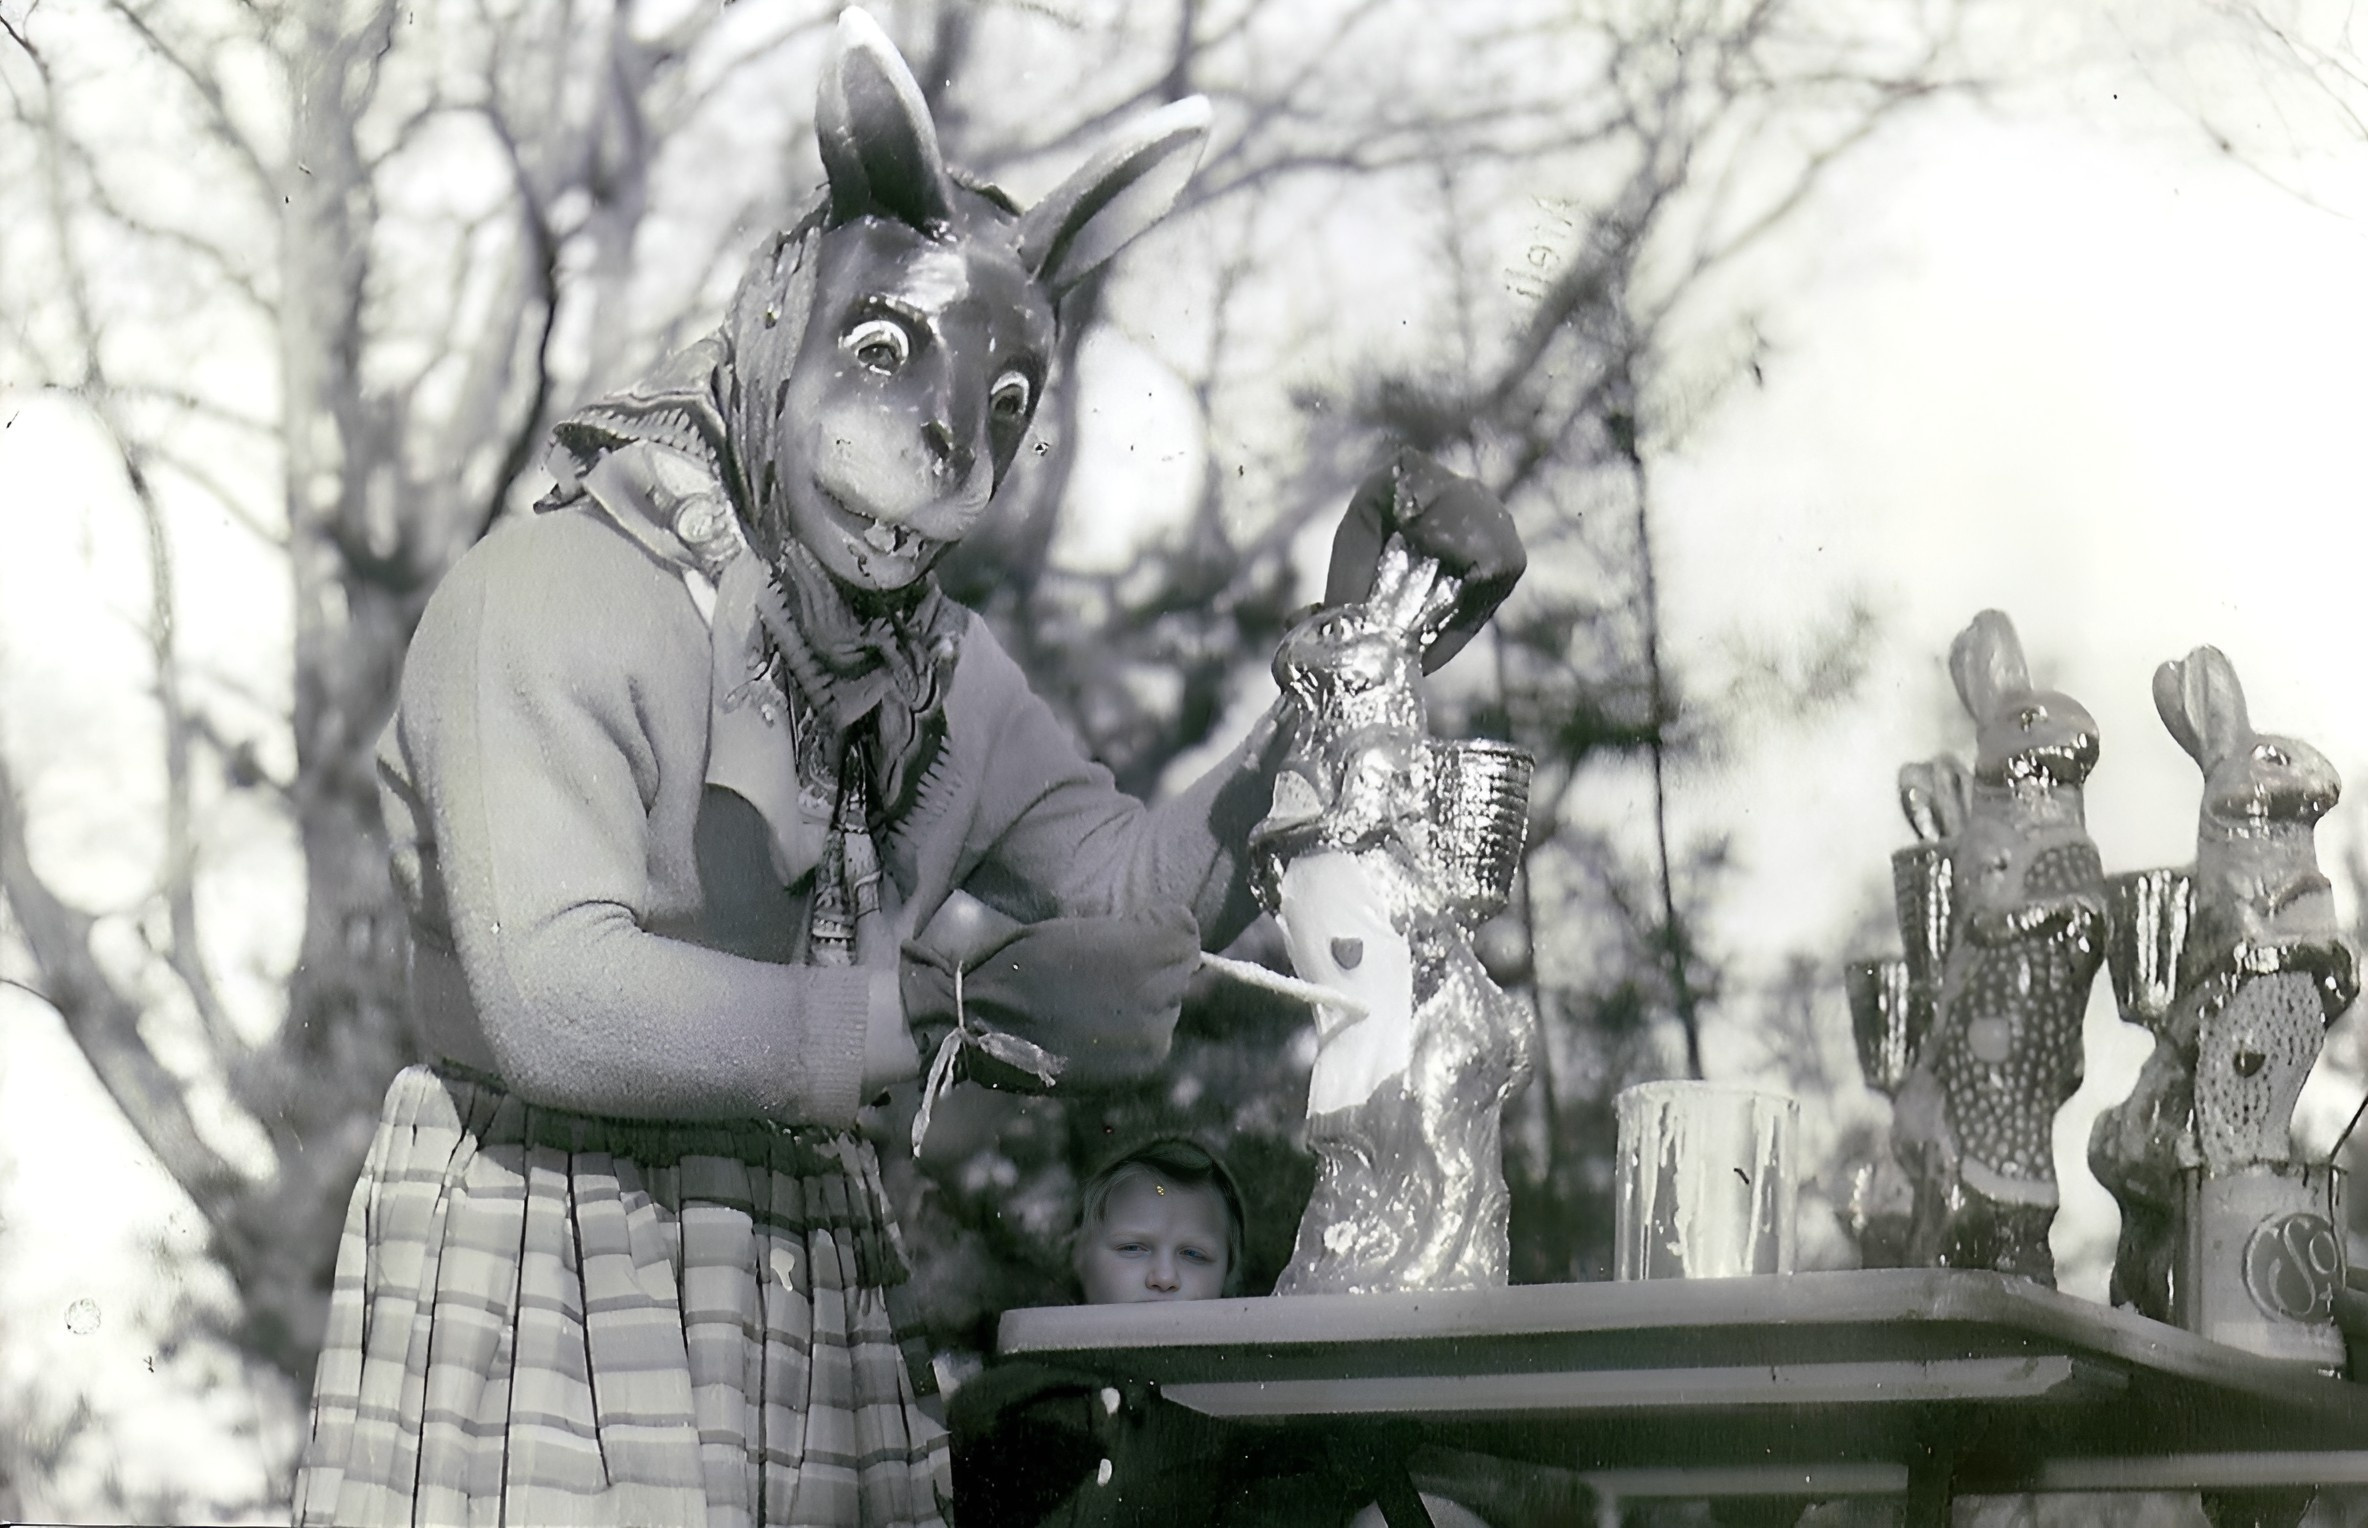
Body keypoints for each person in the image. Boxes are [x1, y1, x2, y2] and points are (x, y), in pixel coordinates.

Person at [287, 12, 1522, 1528]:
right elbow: (551, 999)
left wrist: (1350, 650)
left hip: (806, 1287)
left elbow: (1138, 891)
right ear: (780, 338)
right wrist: (949, 1007)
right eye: (882, 357)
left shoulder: (937, 677)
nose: (951, 451)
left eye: (1003, 408)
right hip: (548, 1267)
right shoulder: (552, 595)